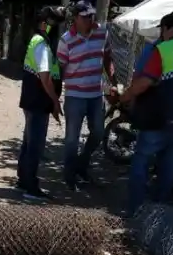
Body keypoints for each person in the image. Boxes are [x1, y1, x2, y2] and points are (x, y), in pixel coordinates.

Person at [117, 11, 173, 217]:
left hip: (159, 117)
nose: (162, 34)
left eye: (163, 29)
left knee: (142, 159)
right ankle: (159, 215)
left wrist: (125, 96)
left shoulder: (164, 49)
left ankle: (136, 211)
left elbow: (144, 82)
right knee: (169, 167)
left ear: (170, 29)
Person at [56, 0, 113, 191]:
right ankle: (69, 175)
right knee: (72, 139)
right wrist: (56, 96)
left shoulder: (102, 32)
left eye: (91, 15)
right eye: (85, 16)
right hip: (75, 95)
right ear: (75, 18)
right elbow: (60, 69)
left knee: (98, 133)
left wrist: (113, 82)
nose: (89, 19)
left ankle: (82, 164)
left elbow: (107, 57)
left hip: (96, 94)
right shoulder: (66, 40)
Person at [16, 6, 65, 201]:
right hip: (38, 101)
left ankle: (23, 180)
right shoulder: (42, 45)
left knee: (28, 142)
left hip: (32, 99)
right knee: (35, 145)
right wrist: (55, 101)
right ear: (44, 24)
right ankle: (30, 187)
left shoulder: (36, 40)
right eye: (54, 24)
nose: (57, 29)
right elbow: (45, 78)